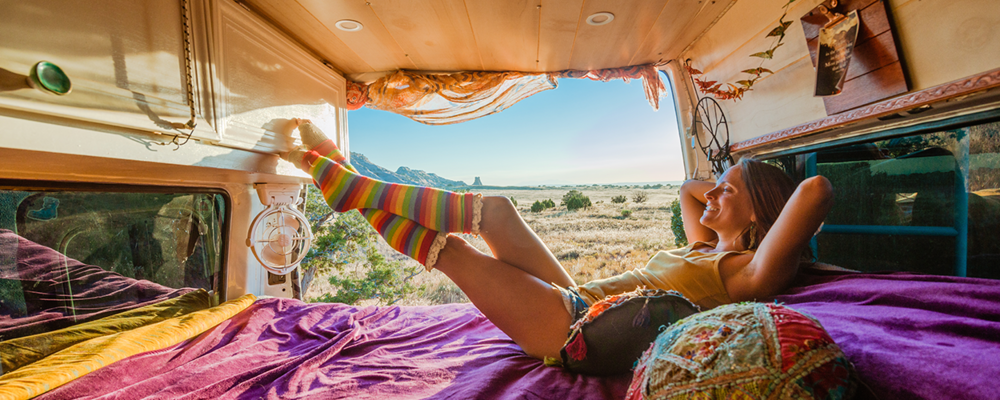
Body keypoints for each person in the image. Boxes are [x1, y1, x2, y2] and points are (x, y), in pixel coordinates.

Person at [282, 120, 833, 361]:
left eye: (728, 192)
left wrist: (750, 178)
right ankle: (348, 184)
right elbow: (688, 193)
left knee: (453, 251)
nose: (710, 194)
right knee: (495, 210)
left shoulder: (745, 271)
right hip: (578, 297)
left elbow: (815, 189)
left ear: (761, 208)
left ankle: (347, 180)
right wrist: (728, 184)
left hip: (576, 329)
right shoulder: (703, 249)